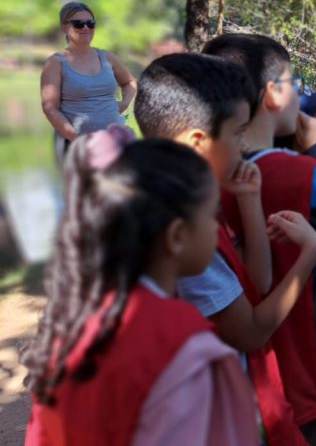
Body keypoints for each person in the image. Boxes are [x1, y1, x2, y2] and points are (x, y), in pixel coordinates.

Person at [21, 129, 259, 445]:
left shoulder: (70, 319)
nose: (215, 227)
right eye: (210, 215)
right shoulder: (179, 340)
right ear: (176, 236)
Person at [135, 52, 316, 445]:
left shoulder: (180, 201)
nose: (242, 146)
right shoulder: (180, 231)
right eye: (238, 133)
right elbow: (251, 331)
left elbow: (256, 284)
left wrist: (249, 199)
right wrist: (308, 255)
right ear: (197, 143)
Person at [203, 33, 316, 445]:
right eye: (294, 83)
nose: (300, 93)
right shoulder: (297, 170)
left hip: (254, 339)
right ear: (272, 95)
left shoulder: (211, 171)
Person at [40, 2, 136, 161]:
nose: (85, 28)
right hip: (77, 146)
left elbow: (130, 82)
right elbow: (50, 108)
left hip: (115, 141)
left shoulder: (107, 57)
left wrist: (123, 104)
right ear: (64, 27)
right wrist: (77, 139)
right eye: (78, 24)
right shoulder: (55, 63)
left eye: (90, 23)